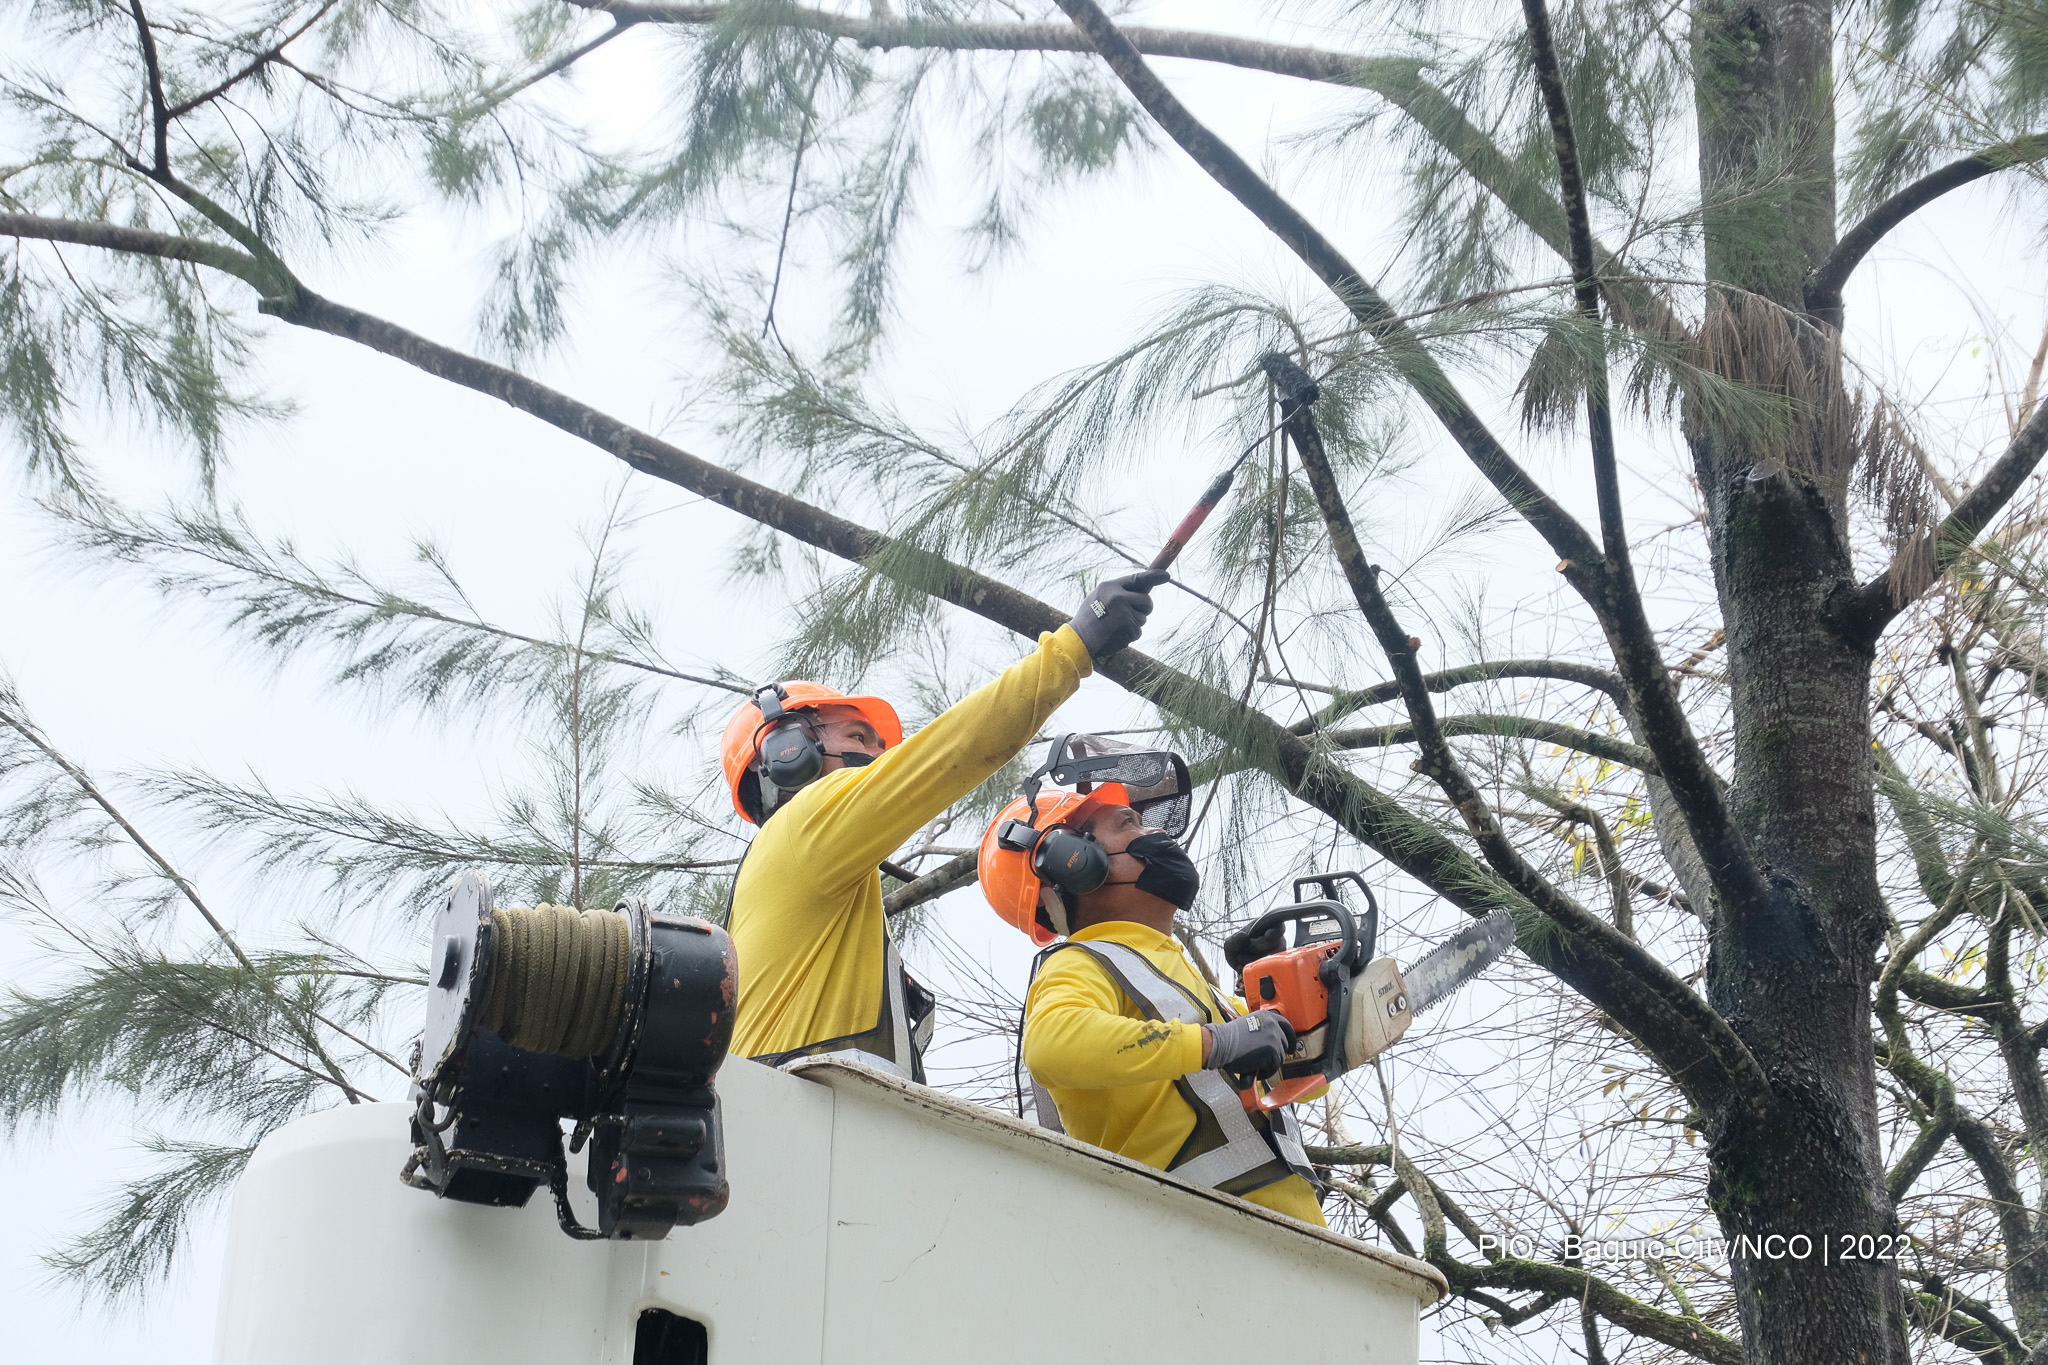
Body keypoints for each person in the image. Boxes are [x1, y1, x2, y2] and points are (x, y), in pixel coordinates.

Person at [721, 571, 1168, 1080]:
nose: (879, 755)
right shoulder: (805, 824)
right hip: (807, 1129)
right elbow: (952, 749)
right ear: (787, 752)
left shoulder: (810, 881)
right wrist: (1076, 647)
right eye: (859, 736)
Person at [978, 752, 1327, 1226]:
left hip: (1287, 1238)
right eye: (1128, 825)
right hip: (1186, 1241)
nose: (1156, 835)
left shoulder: (1186, 984)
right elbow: (1052, 1045)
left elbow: (1297, 1082)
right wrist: (1215, 1042)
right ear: (1075, 862)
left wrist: (1279, 999)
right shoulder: (1081, 965)